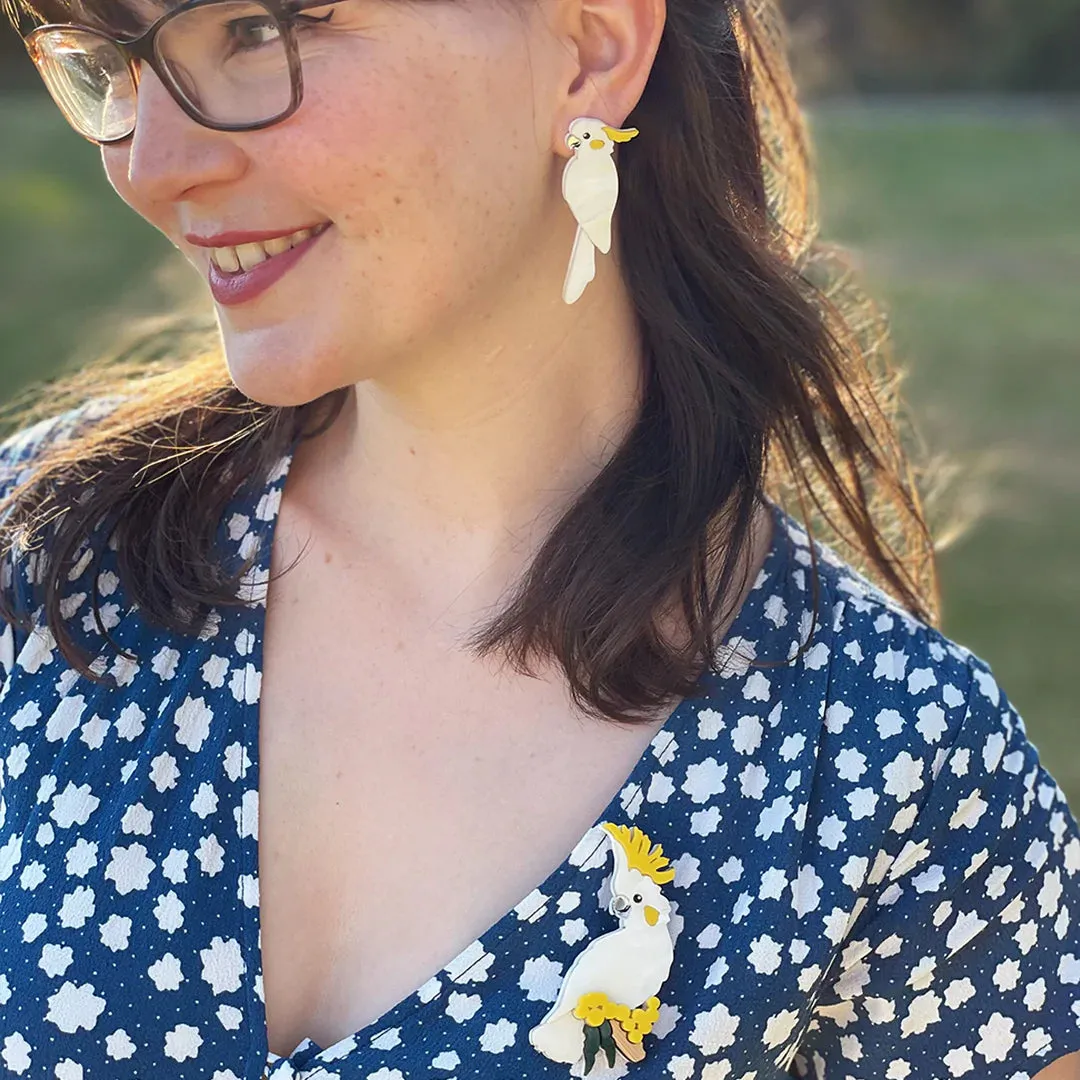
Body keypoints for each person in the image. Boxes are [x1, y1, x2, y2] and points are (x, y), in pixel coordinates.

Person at [1, 0, 1078, 1075]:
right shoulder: (40, 557)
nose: (152, 163)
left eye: (256, 30)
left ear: (591, 46)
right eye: (116, 60)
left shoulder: (900, 778)